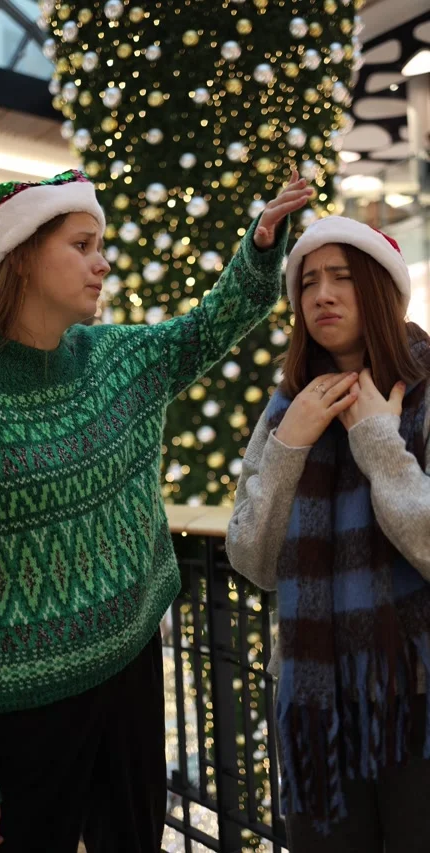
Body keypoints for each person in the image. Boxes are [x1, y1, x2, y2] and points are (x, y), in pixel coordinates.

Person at [0, 168, 312, 852]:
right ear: (20, 258)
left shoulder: (120, 358)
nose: (102, 262)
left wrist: (262, 243)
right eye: (82, 244)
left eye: (102, 243)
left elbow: (211, 326)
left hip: (131, 678)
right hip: (18, 717)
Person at [226, 216, 430, 853]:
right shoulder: (290, 406)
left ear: (381, 289)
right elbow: (253, 559)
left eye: (342, 277)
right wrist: (290, 444)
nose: (322, 295)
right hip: (317, 709)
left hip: (416, 701)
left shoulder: (425, 392)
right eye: (308, 281)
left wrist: (378, 441)